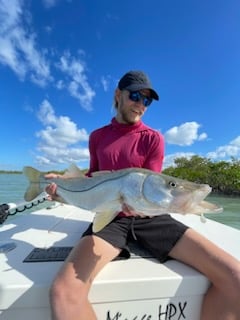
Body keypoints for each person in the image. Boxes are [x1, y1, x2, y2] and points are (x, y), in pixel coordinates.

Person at [46, 71, 240, 320]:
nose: (140, 104)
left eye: (146, 100)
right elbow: (94, 177)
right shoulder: (97, 136)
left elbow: (154, 184)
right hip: (112, 216)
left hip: (151, 217)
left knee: (235, 278)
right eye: (135, 96)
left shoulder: (153, 138)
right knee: (64, 291)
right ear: (118, 95)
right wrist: (63, 188)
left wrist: (174, 198)